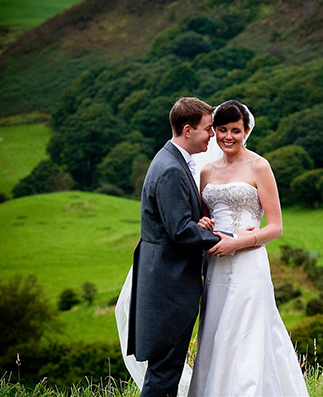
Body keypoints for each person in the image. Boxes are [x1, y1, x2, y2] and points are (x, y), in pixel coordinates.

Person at [114, 97, 251, 397]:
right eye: (208, 129)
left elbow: (176, 220)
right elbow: (179, 231)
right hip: (169, 288)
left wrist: (197, 222)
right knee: (164, 375)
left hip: (165, 283)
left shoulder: (170, 160)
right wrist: (227, 241)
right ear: (188, 131)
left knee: (165, 372)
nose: (213, 136)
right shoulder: (171, 169)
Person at [188, 100, 309, 396]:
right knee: (217, 334)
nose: (228, 137)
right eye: (222, 130)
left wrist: (239, 242)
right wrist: (203, 223)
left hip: (248, 265)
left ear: (247, 130)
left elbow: (275, 227)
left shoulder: (259, 166)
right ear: (214, 131)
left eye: (236, 130)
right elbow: (205, 217)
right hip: (216, 265)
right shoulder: (206, 171)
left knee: (246, 335)